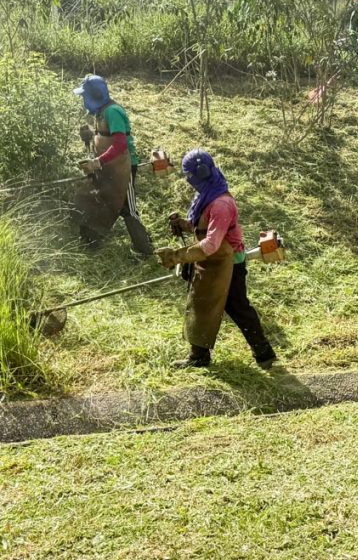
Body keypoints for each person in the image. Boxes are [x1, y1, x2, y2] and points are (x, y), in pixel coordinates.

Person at [155, 149, 277, 370]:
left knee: (238, 307)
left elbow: (212, 243)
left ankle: (264, 353)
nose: (188, 181)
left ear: (197, 175)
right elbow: (201, 226)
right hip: (210, 260)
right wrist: (183, 224)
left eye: (189, 176)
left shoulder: (221, 204)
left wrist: (177, 256)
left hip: (228, 263)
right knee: (200, 303)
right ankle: (199, 356)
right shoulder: (207, 193)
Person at [73, 75, 153, 255]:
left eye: (85, 96)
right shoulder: (100, 112)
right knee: (103, 199)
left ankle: (145, 249)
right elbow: (105, 138)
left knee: (128, 208)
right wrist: (89, 137)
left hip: (124, 167)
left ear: (94, 95)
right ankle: (91, 241)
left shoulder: (113, 112)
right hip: (109, 165)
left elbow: (120, 144)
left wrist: (97, 162)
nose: (83, 100)